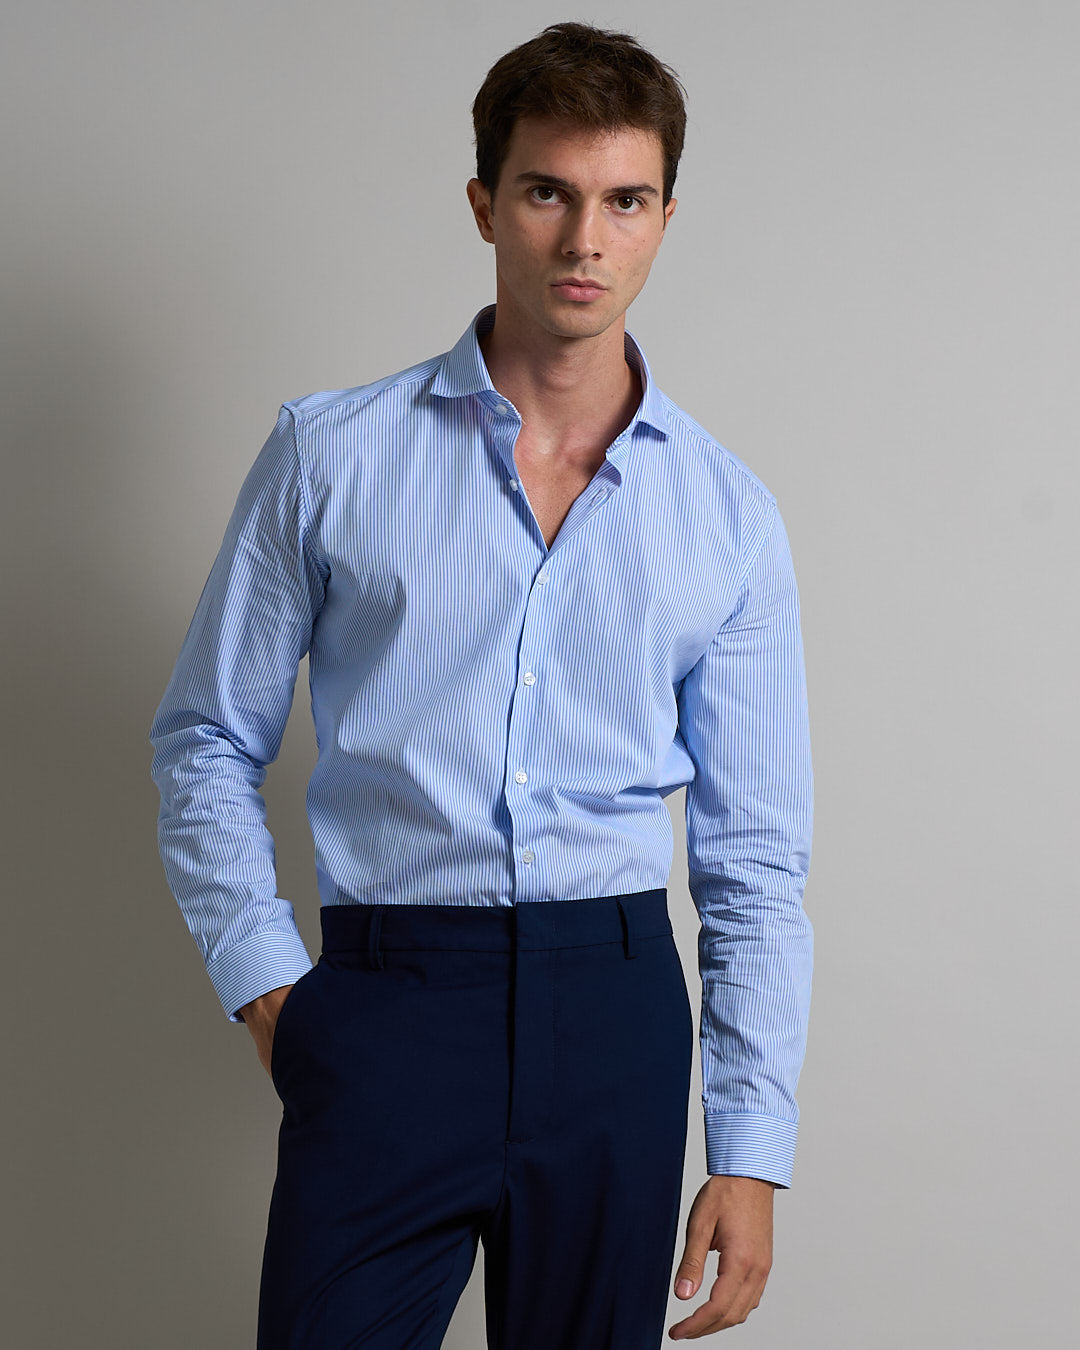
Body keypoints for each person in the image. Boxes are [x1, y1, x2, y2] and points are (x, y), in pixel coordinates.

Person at [149, 20, 813, 1348]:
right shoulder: (331, 455)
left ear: (665, 219)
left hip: (614, 1012)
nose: (585, 239)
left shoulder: (727, 515)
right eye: (548, 192)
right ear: (484, 204)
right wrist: (271, 984)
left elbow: (754, 856)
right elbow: (206, 738)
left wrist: (749, 1145)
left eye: (625, 200)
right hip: (388, 1003)